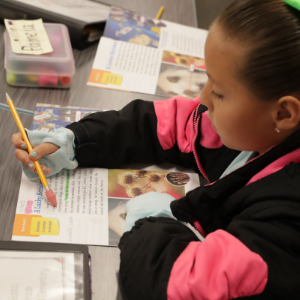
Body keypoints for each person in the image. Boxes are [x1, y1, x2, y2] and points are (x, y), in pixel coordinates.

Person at [11, 0, 300, 298]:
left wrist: (149, 222)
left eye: (219, 92)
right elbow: (167, 125)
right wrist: (77, 142)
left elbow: (173, 284)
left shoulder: (286, 220)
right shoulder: (266, 131)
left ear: (284, 114)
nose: (203, 97)